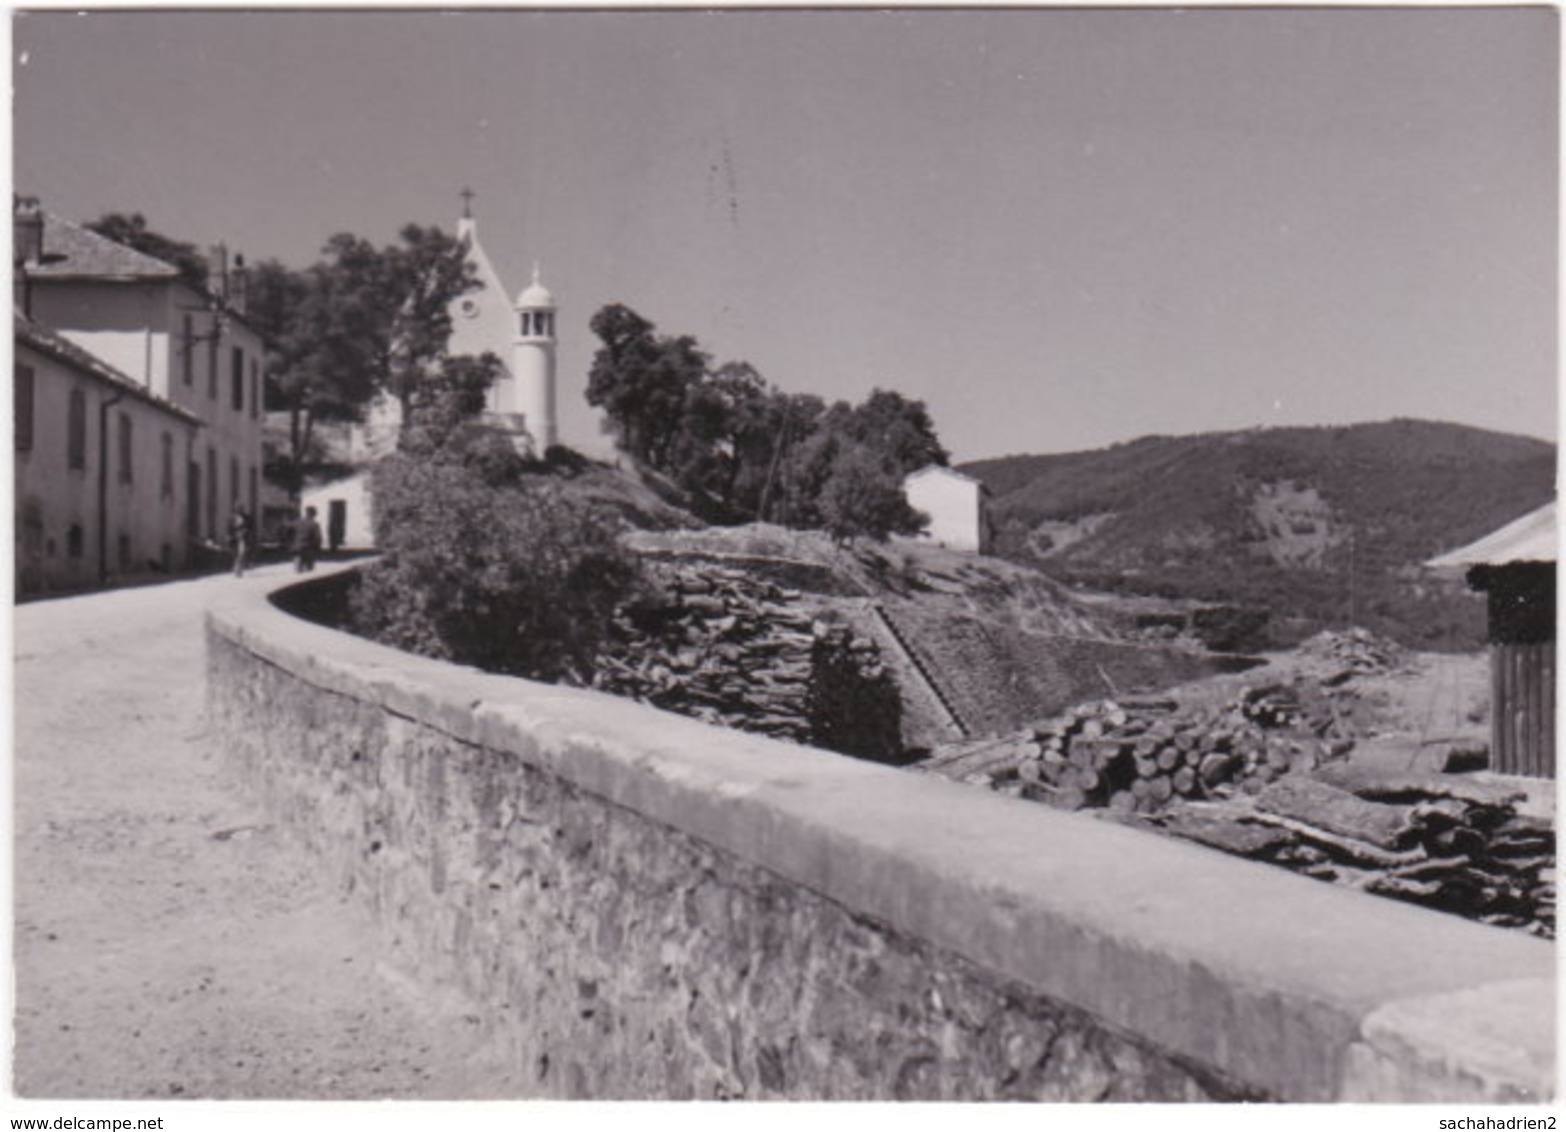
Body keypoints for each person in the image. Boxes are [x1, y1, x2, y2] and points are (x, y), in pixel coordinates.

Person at [293, 506, 324, 573]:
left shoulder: (297, 522)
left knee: (297, 568)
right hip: (308, 548)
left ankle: (298, 573)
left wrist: (290, 542)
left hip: (297, 546)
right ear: (313, 514)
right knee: (309, 569)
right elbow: (318, 537)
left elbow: (289, 531)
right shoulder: (314, 524)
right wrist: (318, 548)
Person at [227, 505, 254, 578]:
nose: (239, 510)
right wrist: (229, 535)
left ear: (242, 509)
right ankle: (237, 568)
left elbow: (250, 527)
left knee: (242, 553)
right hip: (234, 538)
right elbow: (229, 528)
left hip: (243, 538)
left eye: (240, 508)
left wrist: (245, 532)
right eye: (237, 508)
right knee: (235, 554)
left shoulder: (247, 517)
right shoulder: (232, 518)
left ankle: (238, 569)